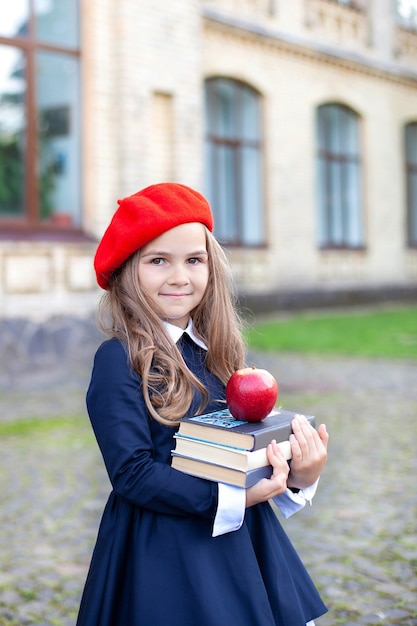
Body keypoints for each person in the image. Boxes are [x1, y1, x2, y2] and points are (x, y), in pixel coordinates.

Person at [76, 182, 329, 626]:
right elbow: (132, 472)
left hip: (241, 543)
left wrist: (297, 475)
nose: (180, 277)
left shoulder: (217, 353)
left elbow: (242, 446)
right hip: (161, 550)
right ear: (126, 272)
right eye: (159, 261)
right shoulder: (118, 359)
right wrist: (234, 497)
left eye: (194, 260)